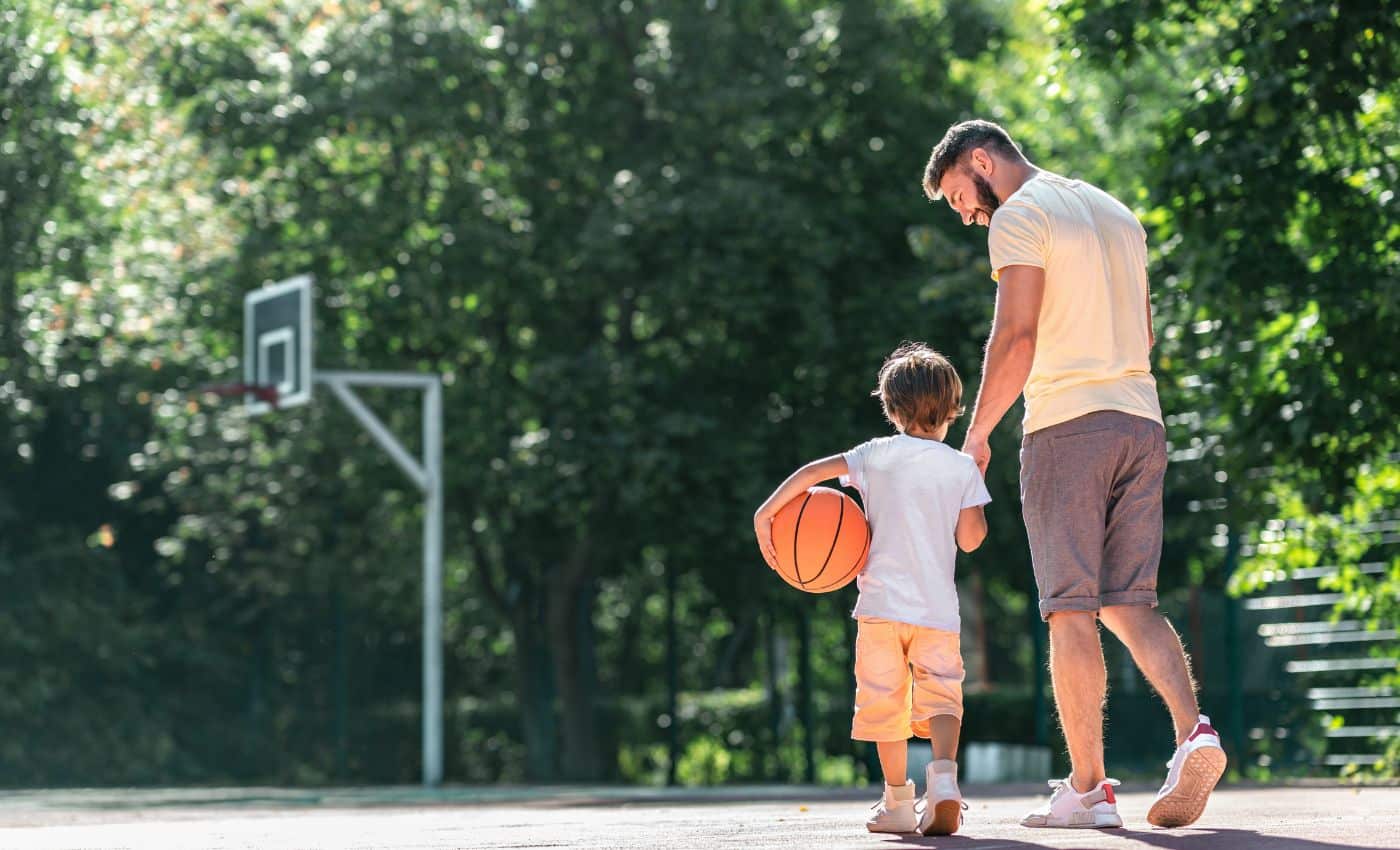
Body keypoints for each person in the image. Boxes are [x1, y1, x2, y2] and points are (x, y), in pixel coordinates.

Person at [921, 119, 1227, 829]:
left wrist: (978, 434)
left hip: (1068, 426)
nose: (967, 214)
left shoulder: (1021, 215)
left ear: (980, 161)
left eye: (961, 197)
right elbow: (1146, 333)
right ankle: (1194, 732)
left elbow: (1018, 334)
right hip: (1142, 421)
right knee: (1131, 603)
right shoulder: (1116, 212)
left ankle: (1089, 790)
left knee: (1069, 607)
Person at [753, 343, 990, 836]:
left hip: (880, 609)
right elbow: (970, 541)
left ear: (892, 407)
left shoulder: (872, 455)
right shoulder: (960, 466)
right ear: (951, 409)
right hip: (937, 612)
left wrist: (767, 513)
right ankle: (943, 779)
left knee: (886, 706)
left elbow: (812, 475)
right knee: (943, 699)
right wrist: (973, 483)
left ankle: (898, 801)